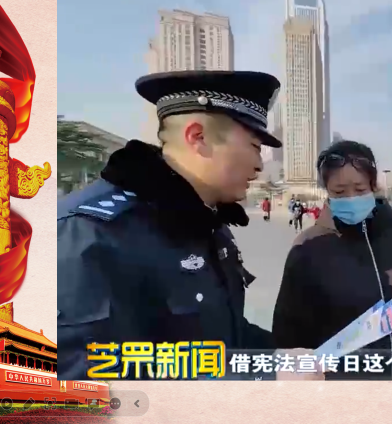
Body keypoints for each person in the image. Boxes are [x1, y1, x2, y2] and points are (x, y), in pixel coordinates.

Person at [57, 70, 322, 381]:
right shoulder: (90, 232)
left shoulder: (205, 222)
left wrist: (275, 356)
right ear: (198, 137)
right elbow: (87, 376)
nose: (259, 164)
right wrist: (257, 376)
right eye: (254, 146)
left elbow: (220, 334)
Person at [272, 140, 392, 380]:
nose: (351, 198)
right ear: (327, 191)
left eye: (360, 188)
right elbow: (287, 331)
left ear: (373, 186)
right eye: (339, 192)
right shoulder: (308, 247)